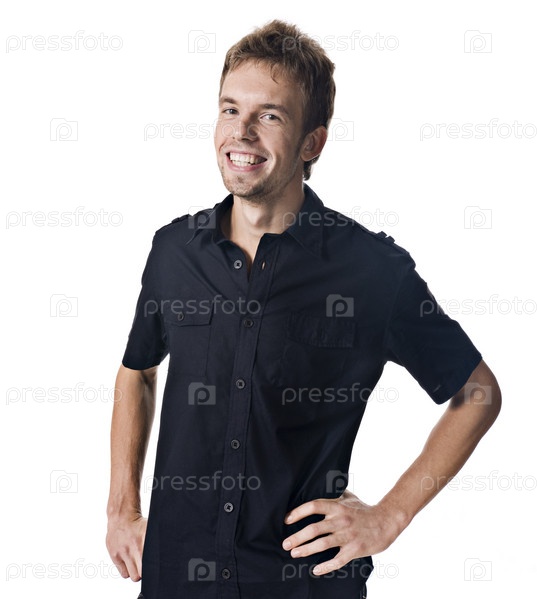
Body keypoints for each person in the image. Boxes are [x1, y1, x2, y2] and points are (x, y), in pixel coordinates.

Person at [106, 19, 501, 599]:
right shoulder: (173, 252)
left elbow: (478, 393)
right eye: (229, 109)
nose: (240, 132)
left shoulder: (372, 271)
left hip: (302, 584)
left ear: (313, 143)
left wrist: (390, 516)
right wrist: (121, 508)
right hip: (175, 577)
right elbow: (137, 372)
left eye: (269, 116)